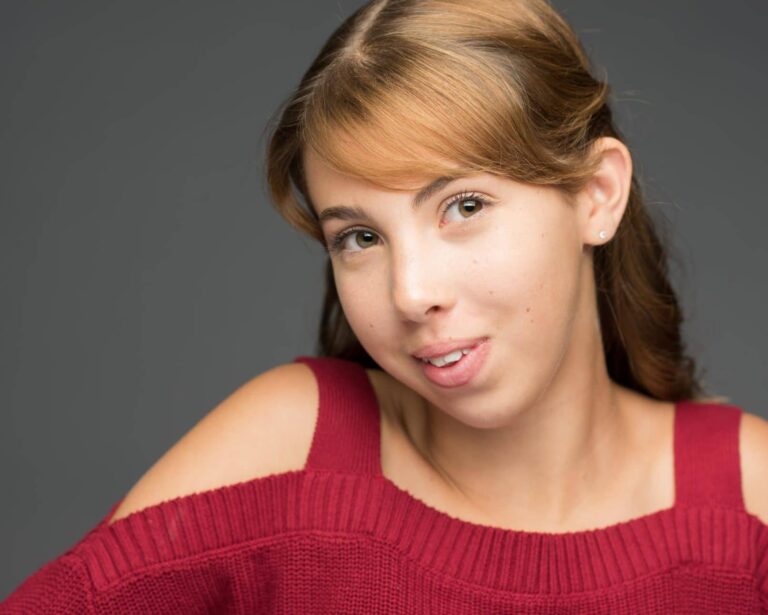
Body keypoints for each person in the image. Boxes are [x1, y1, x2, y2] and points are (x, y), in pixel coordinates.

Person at [3, 0, 767, 612]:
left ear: (597, 195)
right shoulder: (290, 455)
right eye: (360, 236)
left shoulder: (750, 505)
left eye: (464, 205)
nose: (410, 292)